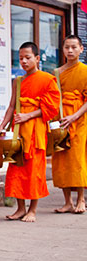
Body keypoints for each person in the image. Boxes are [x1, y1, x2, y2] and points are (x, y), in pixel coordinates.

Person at [0, 42, 59, 222]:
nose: (23, 61)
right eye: (21, 58)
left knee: (34, 171)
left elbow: (51, 107)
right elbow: (11, 106)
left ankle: (32, 209)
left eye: (27, 58)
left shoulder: (47, 79)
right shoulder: (19, 81)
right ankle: (20, 208)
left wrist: (28, 116)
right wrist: (2, 125)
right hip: (18, 130)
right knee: (16, 169)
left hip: (36, 130)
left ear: (37, 59)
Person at [53, 35, 87, 214]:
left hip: (79, 120)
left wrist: (74, 116)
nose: (70, 51)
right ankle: (67, 202)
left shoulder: (85, 71)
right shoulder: (57, 72)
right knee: (62, 160)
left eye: (74, 47)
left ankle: (81, 199)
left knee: (77, 159)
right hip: (61, 120)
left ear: (81, 49)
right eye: (67, 47)